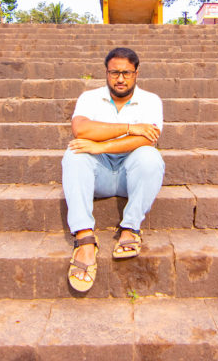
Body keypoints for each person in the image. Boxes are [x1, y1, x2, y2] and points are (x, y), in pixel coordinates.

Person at [62, 47, 165, 292]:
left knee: (150, 156)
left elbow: (148, 139)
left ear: (136, 73)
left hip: (131, 175)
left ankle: (130, 228)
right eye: (114, 72)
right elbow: (82, 131)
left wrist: (100, 146)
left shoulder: (151, 100)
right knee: (74, 154)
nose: (120, 79)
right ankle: (84, 238)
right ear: (106, 73)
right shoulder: (89, 97)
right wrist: (131, 127)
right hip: (99, 174)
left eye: (126, 73)